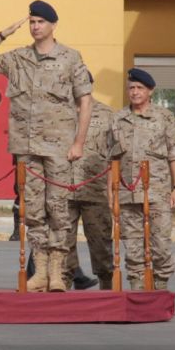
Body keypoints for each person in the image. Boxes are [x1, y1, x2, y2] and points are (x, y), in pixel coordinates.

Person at [0, 0, 93, 292]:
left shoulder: (70, 58)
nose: (35, 26)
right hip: (26, 147)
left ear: (53, 25)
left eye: (40, 21)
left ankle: (58, 273)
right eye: (32, 22)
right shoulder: (18, 58)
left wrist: (79, 142)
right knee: (34, 212)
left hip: (59, 148)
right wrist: (2, 34)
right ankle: (40, 272)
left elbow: (85, 101)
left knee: (60, 210)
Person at [111, 68, 175, 290]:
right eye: (131, 88)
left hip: (157, 192)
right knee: (132, 246)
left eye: (140, 88)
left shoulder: (164, 118)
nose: (134, 92)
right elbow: (112, 160)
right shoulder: (118, 119)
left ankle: (160, 286)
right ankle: (137, 286)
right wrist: (111, 193)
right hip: (126, 193)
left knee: (160, 244)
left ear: (150, 91)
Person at [65, 98, 115, 290]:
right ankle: (63, 288)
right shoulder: (60, 110)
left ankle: (106, 286)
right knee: (62, 242)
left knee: (101, 242)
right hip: (64, 187)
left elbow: (115, 153)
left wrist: (112, 188)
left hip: (96, 190)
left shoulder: (107, 114)